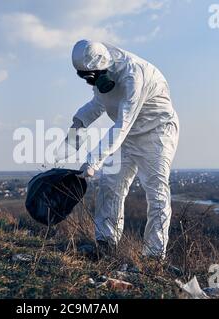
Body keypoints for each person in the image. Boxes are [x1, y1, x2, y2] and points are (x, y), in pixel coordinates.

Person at [68, 40, 180, 259]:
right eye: (84, 77)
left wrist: (93, 162)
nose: (89, 83)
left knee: (156, 192)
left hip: (156, 132)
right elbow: (99, 103)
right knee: (110, 185)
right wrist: (79, 122)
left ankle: (154, 256)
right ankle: (106, 244)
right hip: (128, 135)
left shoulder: (133, 76)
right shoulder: (103, 72)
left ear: (102, 69)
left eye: (91, 77)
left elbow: (122, 123)